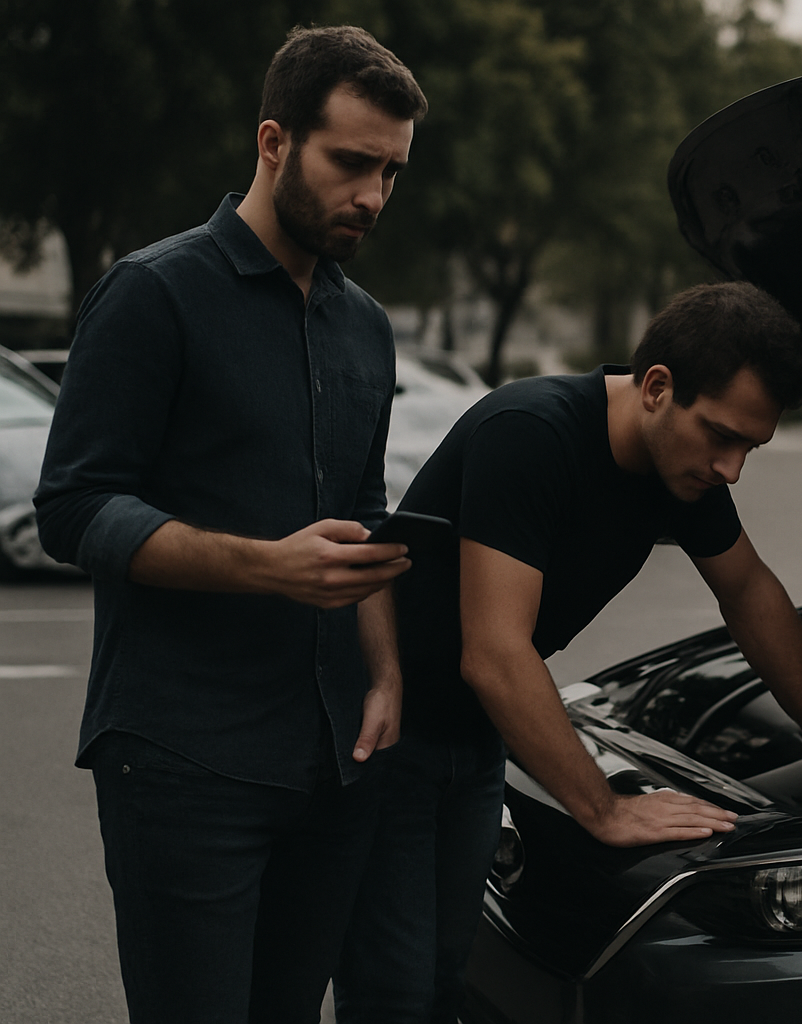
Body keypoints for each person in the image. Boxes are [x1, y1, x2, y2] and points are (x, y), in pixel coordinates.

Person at [333, 281, 802, 1023]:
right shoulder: (530, 433)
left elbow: (750, 591)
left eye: (751, 448)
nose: (732, 468)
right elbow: (495, 653)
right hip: (388, 735)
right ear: (657, 388)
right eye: (721, 436)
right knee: (391, 992)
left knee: (451, 979)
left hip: (478, 737)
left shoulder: (681, 468)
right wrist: (604, 810)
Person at [34, 26, 427, 1023]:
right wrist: (264, 566)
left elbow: (365, 519)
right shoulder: (153, 293)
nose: (373, 197)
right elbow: (75, 508)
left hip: (334, 768)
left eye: (391, 171)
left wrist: (385, 677)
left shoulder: (368, 328)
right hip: (182, 760)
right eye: (351, 163)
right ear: (273, 141)